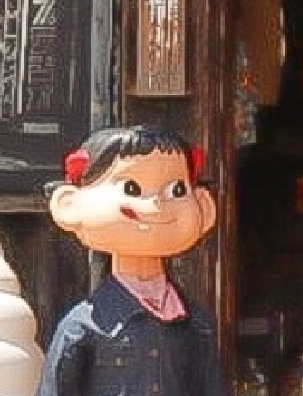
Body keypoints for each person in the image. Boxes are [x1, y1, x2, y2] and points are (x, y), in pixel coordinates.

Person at [40, 124, 225, 396]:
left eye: (176, 190)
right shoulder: (82, 327)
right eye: (131, 187)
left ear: (204, 206)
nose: (156, 205)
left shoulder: (195, 324)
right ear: (69, 204)